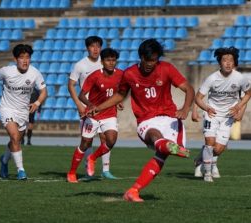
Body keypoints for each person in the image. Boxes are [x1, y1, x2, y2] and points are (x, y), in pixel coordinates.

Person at [88, 39, 195, 202]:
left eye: (154, 60)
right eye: (148, 60)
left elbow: (189, 89)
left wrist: (185, 109)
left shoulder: (166, 69)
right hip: (146, 120)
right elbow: (120, 95)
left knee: (161, 157)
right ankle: (166, 145)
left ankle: (133, 191)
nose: (151, 64)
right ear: (141, 57)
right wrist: (99, 107)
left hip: (170, 118)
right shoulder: (130, 73)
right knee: (155, 136)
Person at [0, 44, 47, 180]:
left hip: (23, 111)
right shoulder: (6, 71)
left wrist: (37, 103)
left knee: (16, 141)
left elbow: (43, 91)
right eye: (21, 57)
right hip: (7, 109)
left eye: (28, 57)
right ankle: (21, 171)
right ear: (15, 59)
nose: (25, 60)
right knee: (14, 137)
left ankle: (4, 160)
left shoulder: (35, 73)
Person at [192, 47, 251, 182]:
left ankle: (199, 159)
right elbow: (198, 98)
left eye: (231, 60)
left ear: (235, 63)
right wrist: (205, 108)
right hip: (212, 114)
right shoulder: (212, 79)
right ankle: (207, 174)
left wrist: (239, 108)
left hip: (227, 117)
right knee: (210, 142)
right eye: (225, 60)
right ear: (220, 63)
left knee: (218, 150)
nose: (228, 63)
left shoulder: (240, 78)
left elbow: (248, 95)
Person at [67, 48, 123, 183]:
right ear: (102, 62)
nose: (111, 63)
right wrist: (90, 105)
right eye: (108, 60)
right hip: (93, 115)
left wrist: (118, 102)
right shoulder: (94, 76)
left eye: (113, 60)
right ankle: (72, 172)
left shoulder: (121, 74)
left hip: (109, 114)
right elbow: (81, 95)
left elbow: (120, 92)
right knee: (85, 144)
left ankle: (93, 158)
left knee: (111, 140)